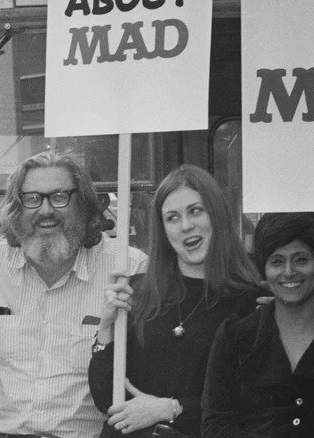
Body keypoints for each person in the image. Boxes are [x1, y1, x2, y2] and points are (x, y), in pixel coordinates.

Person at [0, 151, 148, 437]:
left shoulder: (128, 268)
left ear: (84, 203)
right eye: (31, 198)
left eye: (59, 196)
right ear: (17, 207)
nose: (45, 211)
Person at [88, 164, 262, 437]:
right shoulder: (137, 291)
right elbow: (105, 399)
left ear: (216, 215)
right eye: (172, 217)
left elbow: (248, 402)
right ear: (163, 230)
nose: (186, 225)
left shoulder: (249, 302)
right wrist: (106, 328)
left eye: (195, 211)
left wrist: (170, 409)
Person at [201, 212, 314, 437]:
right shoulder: (235, 336)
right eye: (277, 261)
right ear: (265, 271)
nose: (289, 271)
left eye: (301, 259)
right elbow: (215, 427)